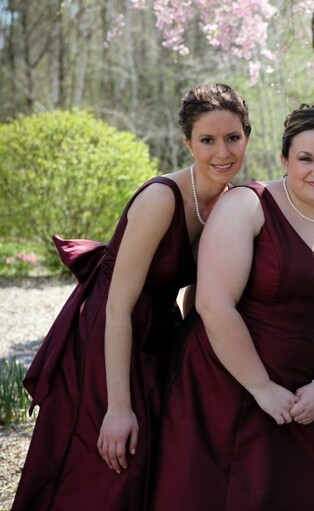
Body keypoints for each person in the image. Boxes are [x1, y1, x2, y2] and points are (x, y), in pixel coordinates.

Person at [12, 83, 250, 511]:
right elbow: (118, 306)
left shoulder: (234, 202)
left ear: (247, 137)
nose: (222, 152)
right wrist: (116, 407)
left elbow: (200, 296)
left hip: (158, 330)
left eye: (233, 138)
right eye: (207, 140)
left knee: (161, 454)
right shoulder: (162, 198)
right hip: (108, 332)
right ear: (187, 143)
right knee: (112, 455)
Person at [149, 102, 314, 511]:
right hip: (227, 382)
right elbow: (214, 304)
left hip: (310, 392)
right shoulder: (248, 205)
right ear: (284, 159)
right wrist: (260, 387)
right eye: (304, 158)